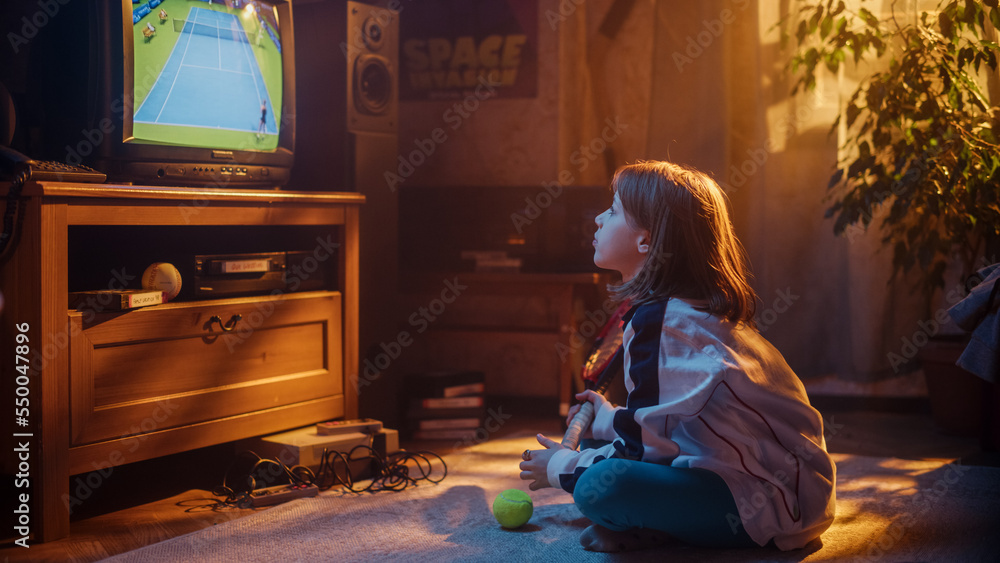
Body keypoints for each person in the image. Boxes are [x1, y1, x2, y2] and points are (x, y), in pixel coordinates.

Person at [519, 161, 836, 553]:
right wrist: (605, 419)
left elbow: (644, 452)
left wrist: (558, 468)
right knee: (596, 457)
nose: (599, 218)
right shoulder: (693, 314)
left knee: (602, 486)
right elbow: (678, 421)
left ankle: (650, 527)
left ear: (646, 242)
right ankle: (652, 527)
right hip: (790, 492)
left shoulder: (662, 323)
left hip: (766, 504)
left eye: (614, 210)